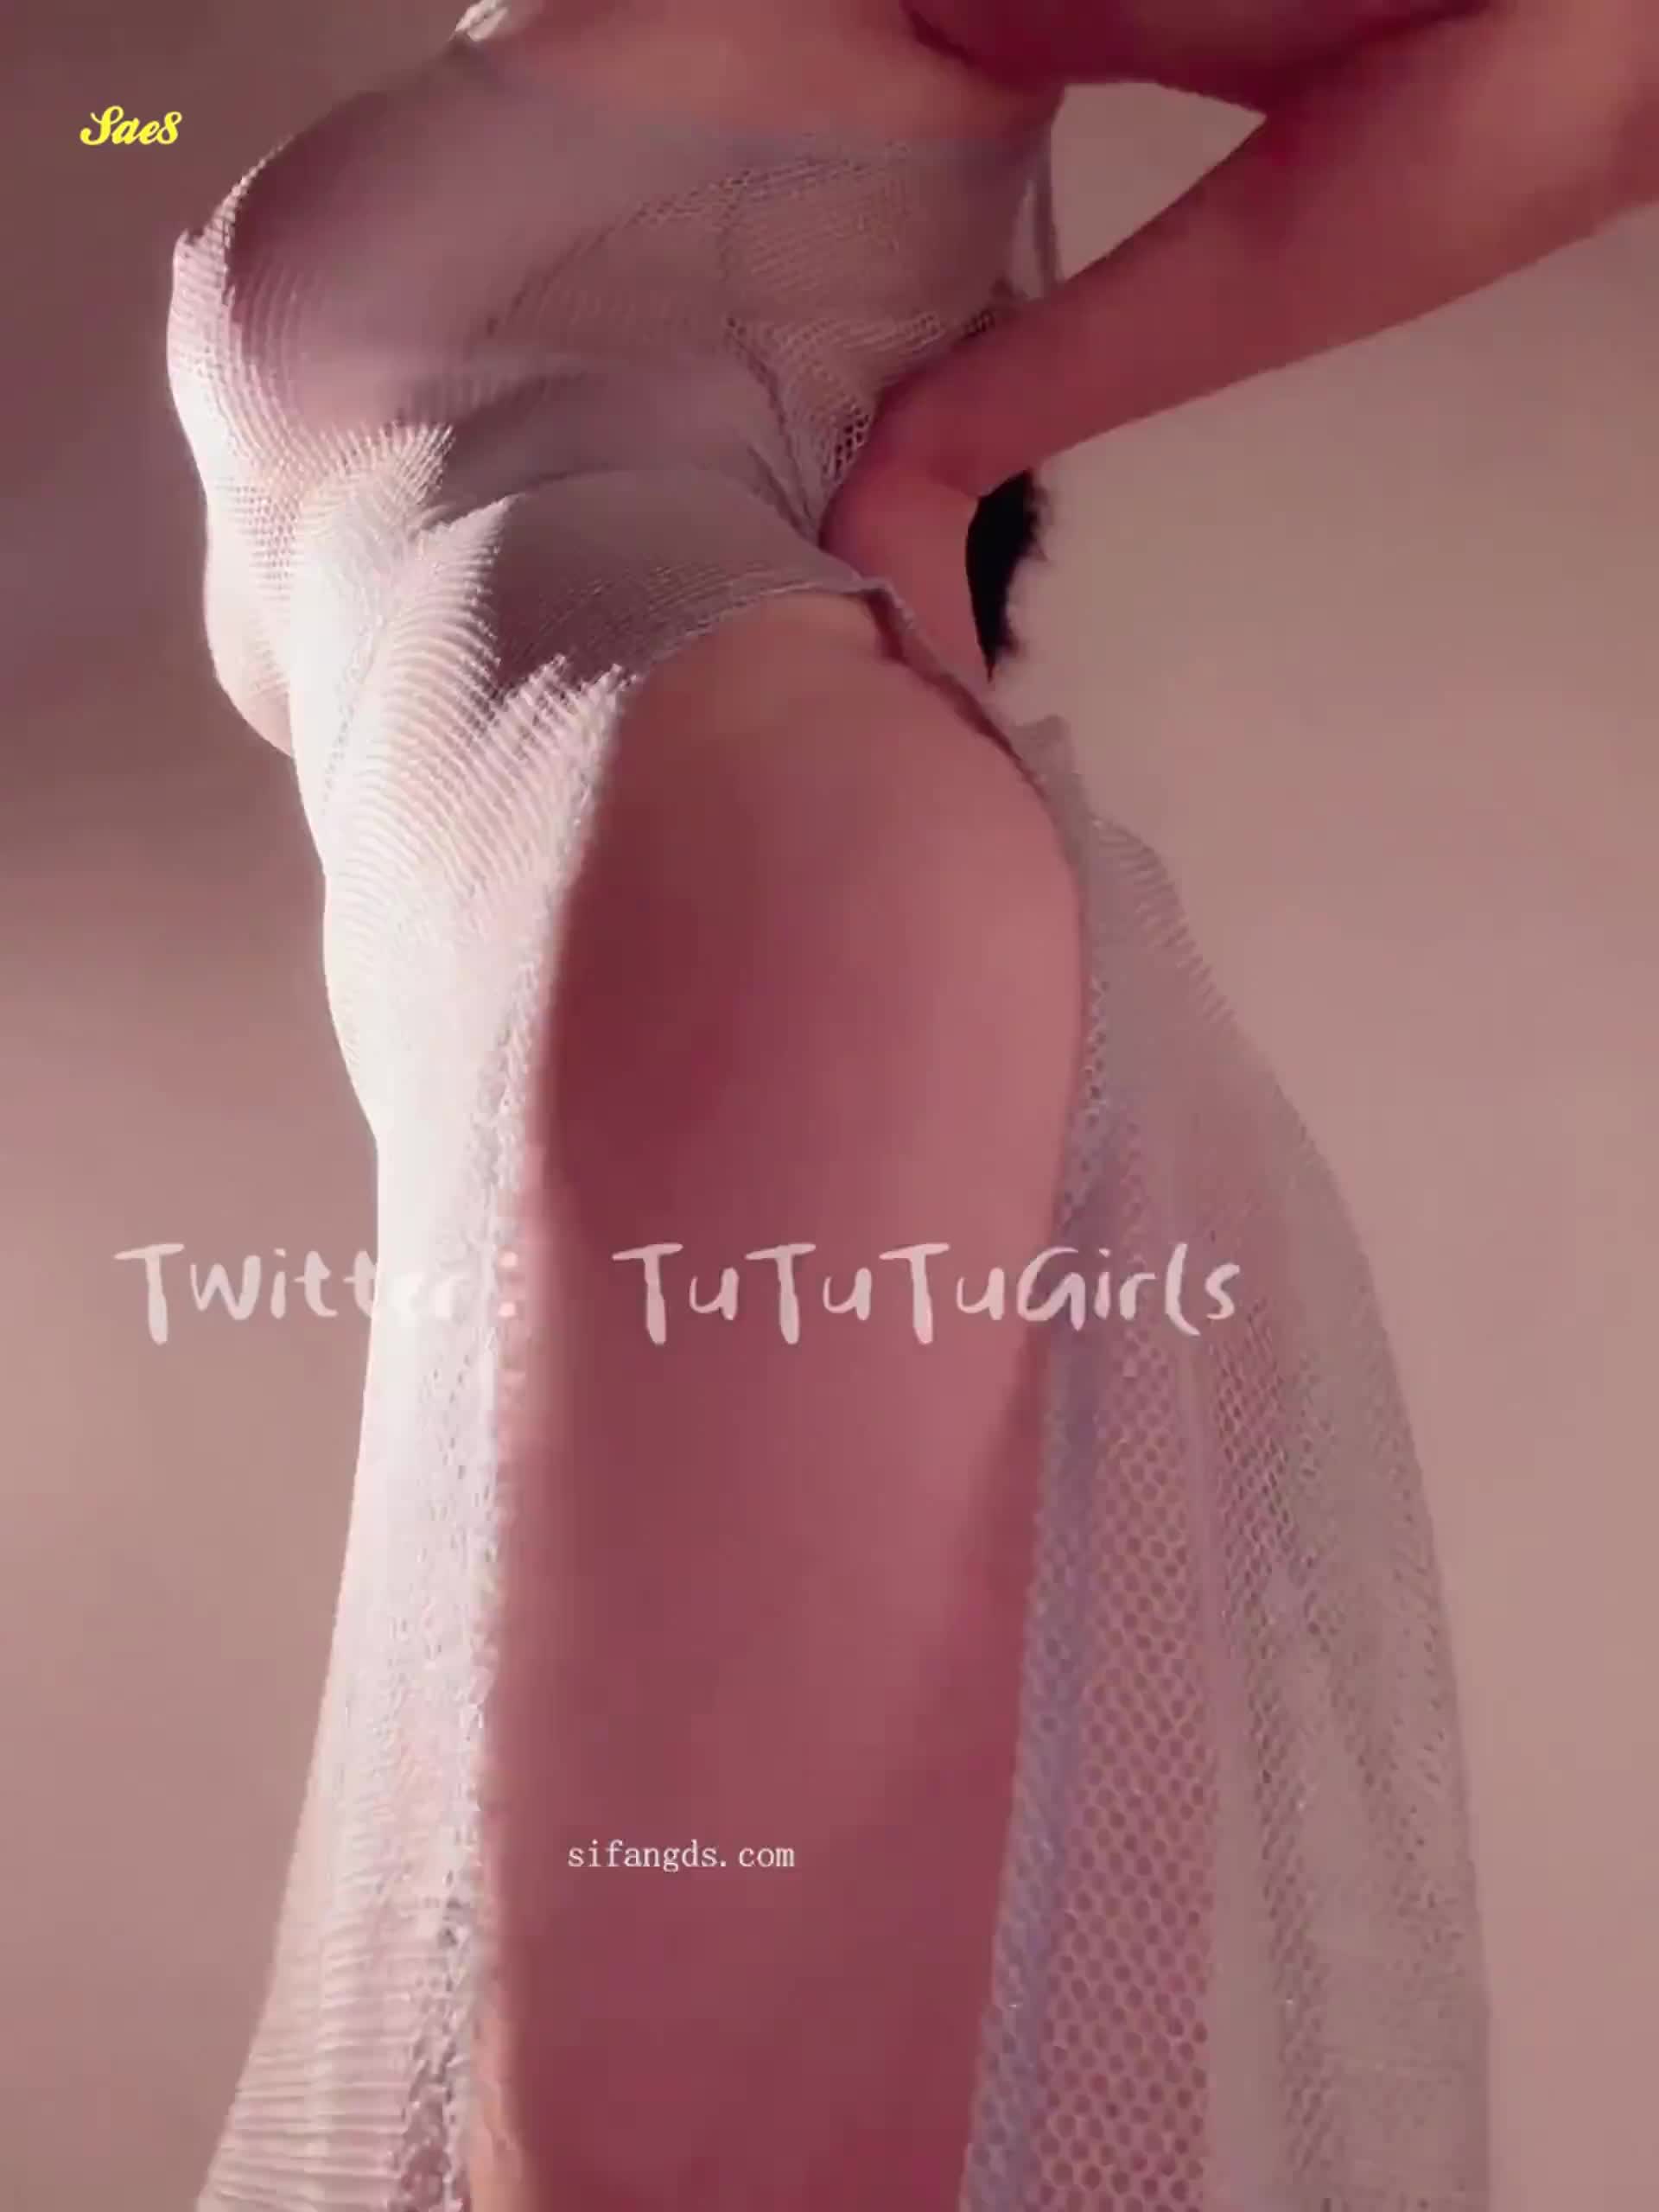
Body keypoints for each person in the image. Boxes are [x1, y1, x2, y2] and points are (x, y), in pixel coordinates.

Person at [162, 3, 1656, 2209]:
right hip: (698, 946)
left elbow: (1608, 54)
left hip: (759, 894)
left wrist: (957, 438)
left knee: (632, 2141)